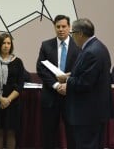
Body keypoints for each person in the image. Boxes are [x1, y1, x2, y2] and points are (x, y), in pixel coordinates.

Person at [57, 18, 114, 149]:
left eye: (72, 33)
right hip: (93, 112)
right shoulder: (97, 47)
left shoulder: (91, 52)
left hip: (87, 113)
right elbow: (89, 74)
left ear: (80, 33)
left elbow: (85, 83)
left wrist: (67, 81)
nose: (72, 37)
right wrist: (70, 75)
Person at [36, 14, 80, 149]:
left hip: (71, 96)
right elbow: (41, 69)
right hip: (50, 96)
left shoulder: (79, 46)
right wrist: (56, 85)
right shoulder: (46, 45)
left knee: (73, 134)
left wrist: (68, 83)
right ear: (54, 27)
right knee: (49, 134)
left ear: (69, 27)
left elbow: (81, 70)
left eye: (64, 26)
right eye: (58, 27)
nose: (61, 29)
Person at [0, 33, 25, 149]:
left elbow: (20, 85)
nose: (6, 45)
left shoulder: (18, 62)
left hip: (13, 103)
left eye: (8, 43)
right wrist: (1, 99)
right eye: (3, 43)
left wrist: (8, 99)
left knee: (11, 132)